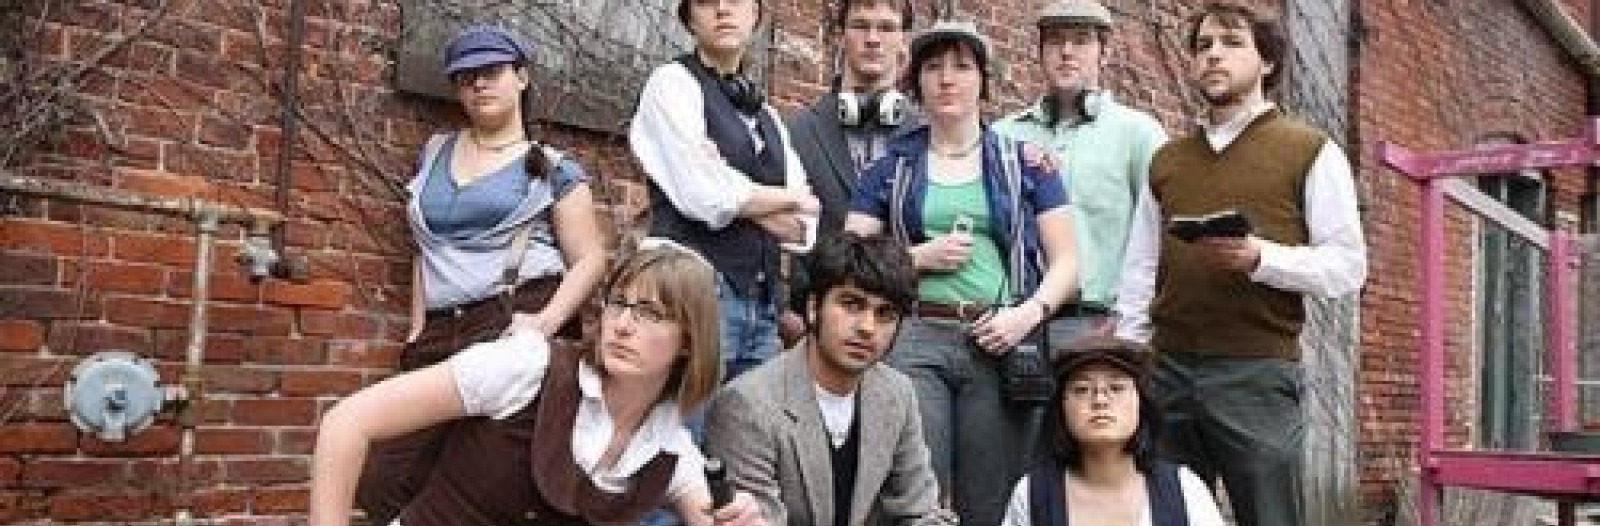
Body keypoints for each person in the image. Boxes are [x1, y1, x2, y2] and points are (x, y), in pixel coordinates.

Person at [1113, 3, 1368, 526]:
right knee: (1167, 515)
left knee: (1270, 517)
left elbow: (1347, 267)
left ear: (1267, 63)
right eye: (1203, 46)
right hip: (1168, 371)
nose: (1213, 56)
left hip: (1257, 374)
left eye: (1230, 43)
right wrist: (1132, 357)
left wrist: (1261, 259)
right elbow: (1141, 266)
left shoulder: (1310, 151)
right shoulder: (1168, 160)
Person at [309, 239, 767, 526]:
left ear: (688, 341)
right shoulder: (527, 366)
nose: (623, 325)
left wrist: (742, 517)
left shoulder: (668, 452)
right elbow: (346, 424)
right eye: (617, 303)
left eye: (649, 313)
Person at [357, 24, 607, 524]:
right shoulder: (435, 152)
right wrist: (416, 327)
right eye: (465, 76)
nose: (478, 84)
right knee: (384, 479)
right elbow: (424, 251)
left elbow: (592, 260)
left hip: (509, 321)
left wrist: (544, 323)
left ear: (521, 77)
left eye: (491, 72)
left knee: (484, 487)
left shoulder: (554, 169)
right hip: (439, 331)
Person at [844, 20, 1080, 526]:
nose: (947, 79)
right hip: (914, 338)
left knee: (989, 501)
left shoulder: (1029, 164)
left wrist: (1026, 315)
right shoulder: (889, 167)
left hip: (999, 341)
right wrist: (917, 258)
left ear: (983, 82)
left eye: (961, 67)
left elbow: (1067, 264)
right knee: (911, 492)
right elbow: (851, 257)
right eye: (933, 68)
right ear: (916, 84)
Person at [704, 234, 955, 526]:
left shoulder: (896, 393)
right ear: (813, 308)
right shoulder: (748, 405)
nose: (867, 327)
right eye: (851, 305)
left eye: (885, 314)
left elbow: (918, 510)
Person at [631, 0, 819, 383]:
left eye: (735, 0)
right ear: (688, 18)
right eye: (706, 2)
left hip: (763, 310)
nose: (722, 10)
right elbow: (703, 197)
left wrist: (737, 190)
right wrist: (788, 197)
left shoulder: (766, 115)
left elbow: (804, 226)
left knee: (747, 440)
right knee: (684, 435)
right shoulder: (671, 84)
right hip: (695, 294)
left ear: (756, 14)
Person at [992, 0, 1167, 343]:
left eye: (1082, 40)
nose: (1067, 52)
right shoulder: (1003, 136)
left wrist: (1138, 325)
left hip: (1102, 323)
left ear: (1104, 53)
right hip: (1014, 323)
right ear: (1040, 52)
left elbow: (1162, 234)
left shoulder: (1138, 134)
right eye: (1056, 41)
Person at [782, 0, 919, 345]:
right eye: (861, 25)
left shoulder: (928, 137)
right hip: (814, 331)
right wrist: (786, 311)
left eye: (886, 28)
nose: (873, 38)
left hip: (907, 333)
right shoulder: (797, 131)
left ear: (904, 41)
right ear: (841, 36)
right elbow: (775, 232)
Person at [1000, 337, 1225, 526]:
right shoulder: (1033, 494)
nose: (1100, 400)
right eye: (1082, 389)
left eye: (1116, 388)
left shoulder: (1184, 489)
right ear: (1061, 407)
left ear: (1141, 403)